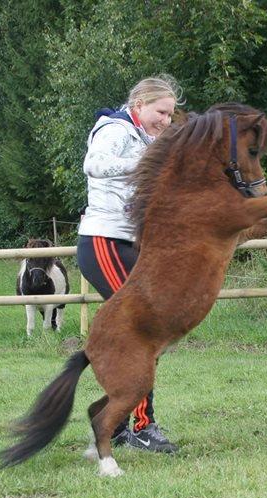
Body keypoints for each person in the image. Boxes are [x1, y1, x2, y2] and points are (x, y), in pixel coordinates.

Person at [76, 74, 184, 453]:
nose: (166, 121)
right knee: (143, 328)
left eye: (171, 115)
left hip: (130, 244)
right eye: (161, 112)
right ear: (139, 104)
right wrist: (149, 158)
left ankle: (121, 422)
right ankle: (138, 426)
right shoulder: (116, 128)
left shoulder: (145, 138)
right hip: (104, 240)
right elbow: (95, 165)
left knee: (148, 331)